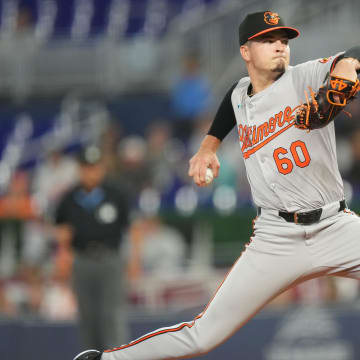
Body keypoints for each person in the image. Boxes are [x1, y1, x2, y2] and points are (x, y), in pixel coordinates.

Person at [73, 11, 360, 360]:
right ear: (245, 52)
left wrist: (348, 64)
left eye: (283, 40)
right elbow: (231, 103)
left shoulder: (306, 75)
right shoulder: (241, 94)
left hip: (335, 225)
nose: (280, 47)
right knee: (202, 336)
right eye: (268, 40)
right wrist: (208, 146)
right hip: (276, 237)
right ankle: (107, 359)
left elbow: (347, 60)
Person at [55, 145, 130, 351]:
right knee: (87, 317)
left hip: (110, 259)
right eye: (86, 167)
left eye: (94, 167)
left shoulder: (116, 193)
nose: (90, 172)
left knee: (111, 315)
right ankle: (92, 356)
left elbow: (133, 227)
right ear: (80, 169)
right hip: (81, 260)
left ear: (102, 168)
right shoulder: (69, 197)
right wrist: (63, 258)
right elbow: (63, 230)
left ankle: (116, 356)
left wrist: (134, 261)